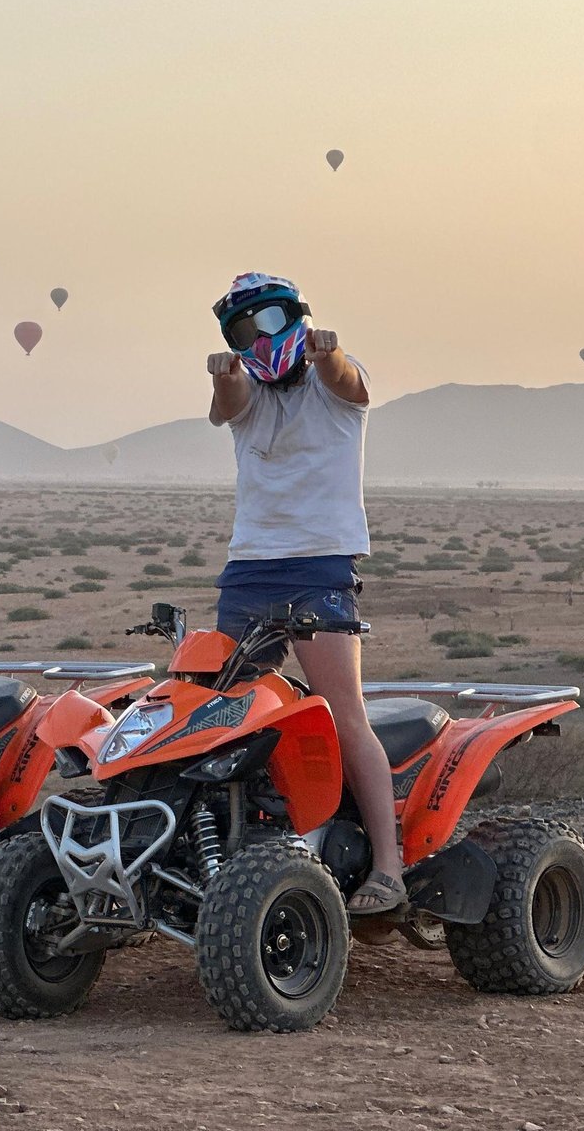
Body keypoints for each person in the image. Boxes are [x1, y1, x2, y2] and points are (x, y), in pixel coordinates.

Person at [206, 272, 404, 914]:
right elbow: (227, 402)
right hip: (250, 568)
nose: (257, 338)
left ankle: (389, 868)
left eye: (269, 321)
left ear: (294, 318)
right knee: (219, 713)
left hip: (319, 565)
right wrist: (223, 371)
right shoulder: (248, 398)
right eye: (243, 329)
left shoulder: (334, 383)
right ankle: (226, 852)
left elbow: (349, 379)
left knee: (342, 708)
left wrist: (329, 352)